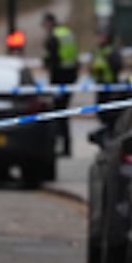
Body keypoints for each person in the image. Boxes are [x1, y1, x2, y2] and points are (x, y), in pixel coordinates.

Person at [41, 12, 79, 156]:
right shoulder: (68, 33)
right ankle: (65, 146)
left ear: (49, 23)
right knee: (62, 112)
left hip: (59, 79)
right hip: (70, 78)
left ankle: (62, 146)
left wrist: (47, 66)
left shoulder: (53, 37)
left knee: (59, 113)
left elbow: (51, 60)